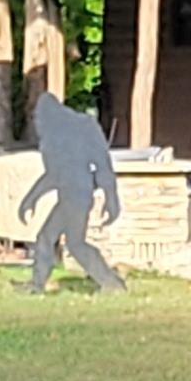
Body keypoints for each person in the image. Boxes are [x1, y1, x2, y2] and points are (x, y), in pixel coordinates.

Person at [19, 99, 127, 292]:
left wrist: (111, 198)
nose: (36, 124)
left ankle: (111, 283)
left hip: (76, 195)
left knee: (74, 244)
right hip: (73, 194)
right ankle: (37, 284)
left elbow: (102, 165)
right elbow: (55, 175)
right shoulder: (65, 132)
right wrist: (31, 198)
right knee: (48, 238)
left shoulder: (62, 134)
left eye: (37, 118)